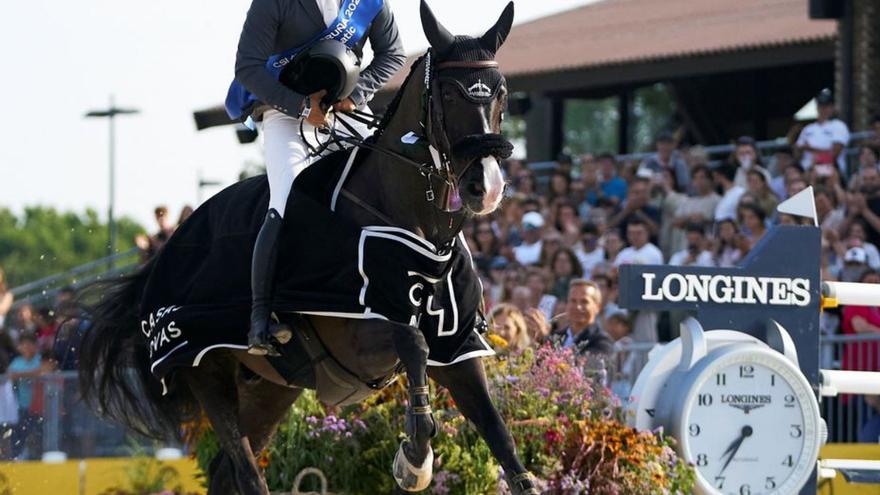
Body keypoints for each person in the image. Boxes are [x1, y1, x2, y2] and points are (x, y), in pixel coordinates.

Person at [229, 0, 406, 354]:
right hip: (285, 112)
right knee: (287, 198)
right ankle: (260, 319)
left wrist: (357, 94)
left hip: (347, 106)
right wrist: (299, 107)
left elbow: (394, 53)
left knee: (391, 186)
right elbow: (247, 67)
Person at [547, 279, 614, 357]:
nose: (578, 307)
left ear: (597, 307)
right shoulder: (554, 337)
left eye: (584, 302)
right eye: (573, 301)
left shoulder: (602, 342)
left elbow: (585, 365)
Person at [795, 88, 850, 175]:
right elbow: (797, 154)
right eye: (820, 105)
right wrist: (799, 148)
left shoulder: (839, 125)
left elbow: (834, 154)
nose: (823, 109)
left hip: (829, 171)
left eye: (827, 105)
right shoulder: (807, 128)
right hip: (806, 172)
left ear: (832, 107)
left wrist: (809, 148)